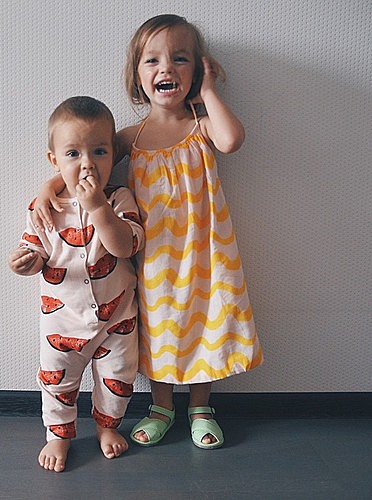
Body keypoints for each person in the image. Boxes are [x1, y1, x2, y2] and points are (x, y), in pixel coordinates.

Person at [32, 14, 263, 450]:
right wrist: (49, 187)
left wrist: (209, 91)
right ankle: (162, 407)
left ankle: (201, 408)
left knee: (208, 323)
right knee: (161, 329)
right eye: (152, 60)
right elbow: (86, 160)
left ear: (196, 70)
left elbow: (232, 140)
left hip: (207, 253)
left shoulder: (200, 127)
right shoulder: (130, 138)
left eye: (181, 59)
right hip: (156, 257)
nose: (166, 68)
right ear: (137, 75)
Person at [8, 96, 145, 472]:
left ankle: (107, 426)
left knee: (118, 377)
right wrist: (25, 262)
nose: (87, 163)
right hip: (62, 322)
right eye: (73, 153)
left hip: (117, 318)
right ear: (54, 160)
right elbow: (36, 251)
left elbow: (125, 246)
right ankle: (58, 435)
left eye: (99, 151)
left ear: (113, 155)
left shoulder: (119, 199)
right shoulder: (44, 208)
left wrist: (98, 207)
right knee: (57, 381)